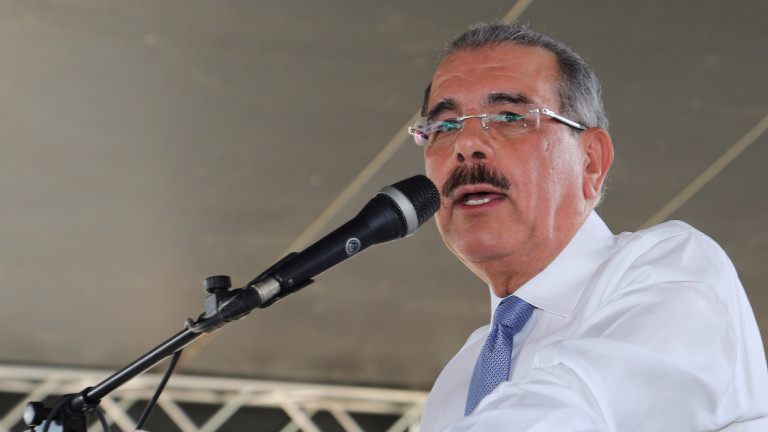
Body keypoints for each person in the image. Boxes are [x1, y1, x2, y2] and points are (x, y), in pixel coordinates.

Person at [408, 22, 768, 431]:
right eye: (445, 126)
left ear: (591, 161)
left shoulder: (674, 271)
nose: (466, 143)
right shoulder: (458, 381)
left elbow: (570, 412)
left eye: (509, 116)